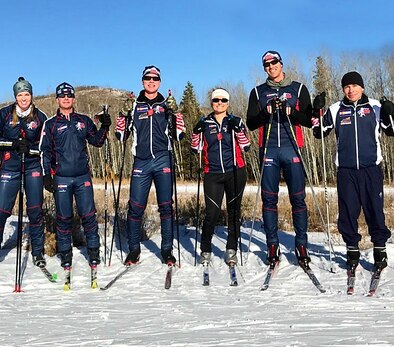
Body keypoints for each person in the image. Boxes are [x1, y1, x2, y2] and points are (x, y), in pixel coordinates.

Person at [311, 71, 394, 273]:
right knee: (347, 212)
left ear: (362, 87)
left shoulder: (375, 106)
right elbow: (319, 132)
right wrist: (316, 111)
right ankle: (352, 251)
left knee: (374, 210)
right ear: (343, 89)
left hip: (371, 168)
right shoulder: (336, 109)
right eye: (346, 86)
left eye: (354, 86)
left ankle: (380, 251)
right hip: (346, 171)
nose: (350, 90)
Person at [245, 51, 314, 267]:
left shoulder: (298, 88)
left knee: (298, 199)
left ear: (281, 64)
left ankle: (301, 245)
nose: (271, 66)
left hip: (292, 147)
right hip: (268, 150)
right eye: (266, 64)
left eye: (274, 62)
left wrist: (290, 111)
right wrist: (266, 112)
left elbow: (309, 120)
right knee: (269, 200)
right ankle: (272, 245)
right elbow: (251, 123)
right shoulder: (257, 91)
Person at [115, 65, 186, 266]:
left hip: (163, 159)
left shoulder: (166, 104)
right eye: (148, 78)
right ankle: (134, 250)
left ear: (160, 82)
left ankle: (166, 250)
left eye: (155, 78)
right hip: (141, 161)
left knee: (166, 207)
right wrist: (123, 114)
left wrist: (176, 112)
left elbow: (180, 134)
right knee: (135, 208)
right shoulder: (135, 105)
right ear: (142, 81)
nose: (151, 81)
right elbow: (121, 135)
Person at [39, 82, 111, 269]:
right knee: (63, 218)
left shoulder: (83, 120)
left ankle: (94, 252)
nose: (66, 99)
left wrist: (104, 126)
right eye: (62, 96)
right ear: (57, 99)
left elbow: (97, 142)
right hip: (61, 177)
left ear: (73, 99)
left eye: (69, 96)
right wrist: (47, 176)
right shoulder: (50, 124)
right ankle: (65, 254)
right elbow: (44, 151)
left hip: (82, 177)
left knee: (88, 215)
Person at [0, 77, 48, 271]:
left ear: (31, 95)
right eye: (20, 95)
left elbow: (46, 145)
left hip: (33, 167)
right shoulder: (4, 114)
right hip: (10, 167)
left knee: (35, 211)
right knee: (0, 212)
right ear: (15, 96)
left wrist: (31, 148)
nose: (24, 98)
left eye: (27, 94)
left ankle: (38, 253)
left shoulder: (40, 116)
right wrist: (12, 144)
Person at [190, 88, 251, 266]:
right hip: (212, 173)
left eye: (223, 100)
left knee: (233, 213)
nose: (219, 103)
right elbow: (196, 149)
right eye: (216, 100)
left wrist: (238, 129)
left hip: (235, 172)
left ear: (228, 103)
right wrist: (196, 131)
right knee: (212, 213)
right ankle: (206, 250)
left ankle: (231, 249)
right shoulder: (204, 122)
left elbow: (246, 146)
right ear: (211, 102)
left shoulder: (236, 121)